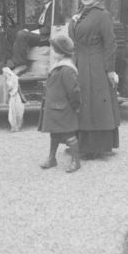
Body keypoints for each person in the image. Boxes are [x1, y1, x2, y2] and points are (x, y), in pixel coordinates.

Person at [68, 0, 120, 159]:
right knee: (82, 103)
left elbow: (110, 44)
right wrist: (74, 22)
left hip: (96, 66)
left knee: (94, 104)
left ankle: (95, 148)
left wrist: (110, 71)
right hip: (80, 63)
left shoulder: (102, 15)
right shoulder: (81, 14)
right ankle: (81, 144)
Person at [37, 34, 81, 173]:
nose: (53, 52)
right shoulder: (59, 67)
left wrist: (76, 106)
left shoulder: (67, 69)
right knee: (54, 133)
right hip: (55, 108)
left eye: (55, 50)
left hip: (64, 109)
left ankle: (76, 161)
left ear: (62, 53)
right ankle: (52, 158)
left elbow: (74, 91)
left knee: (69, 134)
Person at [8, 0, 53, 75]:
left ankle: (20, 64)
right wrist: (28, 30)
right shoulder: (44, 9)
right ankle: (11, 59)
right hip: (41, 35)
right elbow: (39, 25)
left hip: (47, 37)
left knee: (22, 34)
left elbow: (48, 28)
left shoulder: (53, 8)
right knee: (13, 31)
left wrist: (30, 32)